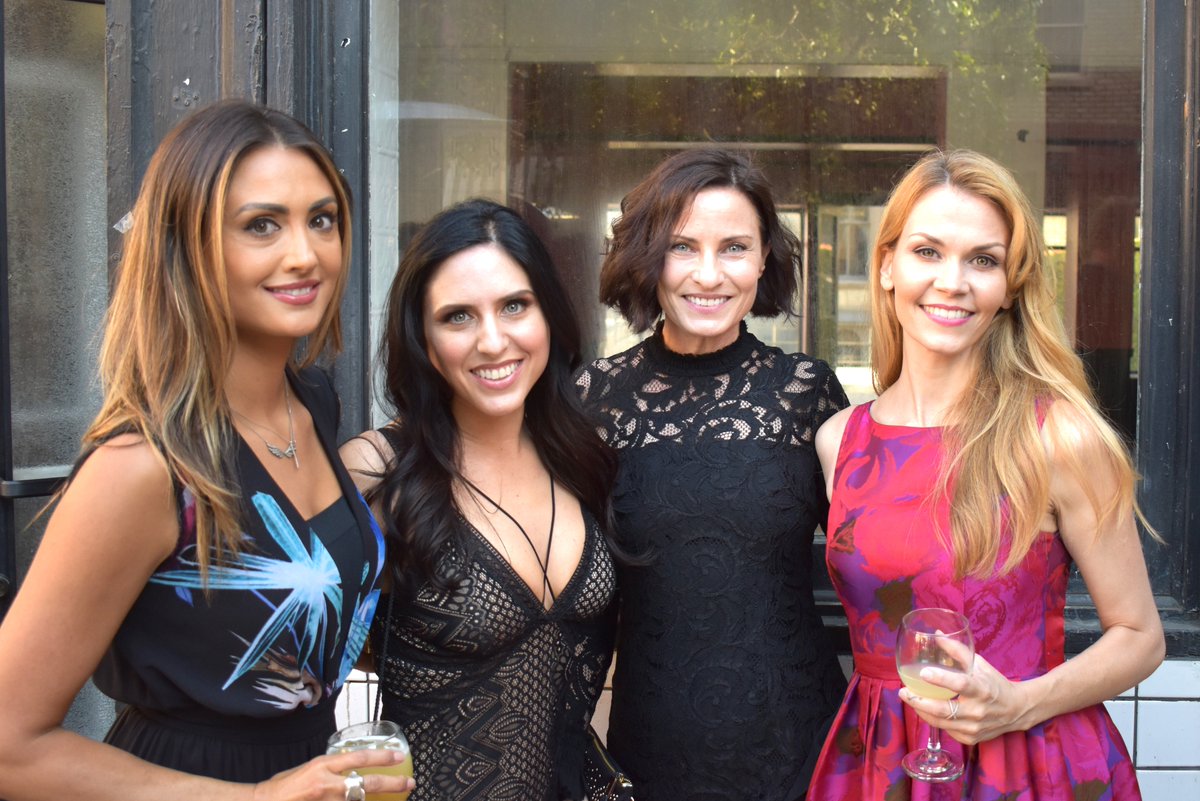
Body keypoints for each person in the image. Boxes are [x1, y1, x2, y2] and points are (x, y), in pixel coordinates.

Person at [0, 100, 413, 801]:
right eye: (262, 225)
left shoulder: (312, 404)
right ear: (188, 247)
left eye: (322, 219)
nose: (305, 253)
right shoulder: (144, 469)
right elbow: (12, 746)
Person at [806, 149, 1165, 800]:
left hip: (1027, 761)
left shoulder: (1056, 436)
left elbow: (1141, 637)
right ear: (886, 265)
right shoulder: (841, 440)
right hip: (881, 759)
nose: (954, 282)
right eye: (927, 252)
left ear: (1010, 287)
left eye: (983, 260)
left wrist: (1020, 704)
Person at [575, 148, 850, 800]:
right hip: (651, 745)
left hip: (800, 743)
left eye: (734, 248)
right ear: (649, 258)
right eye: (682, 247)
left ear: (763, 259)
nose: (708, 274)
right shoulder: (593, 398)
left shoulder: (806, 392)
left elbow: (873, 557)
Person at [340, 198, 620, 800]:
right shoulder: (377, 468)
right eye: (458, 316)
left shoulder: (584, 455)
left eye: (515, 306)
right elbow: (309, 656)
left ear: (549, 314)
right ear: (423, 338)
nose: (493, 341)